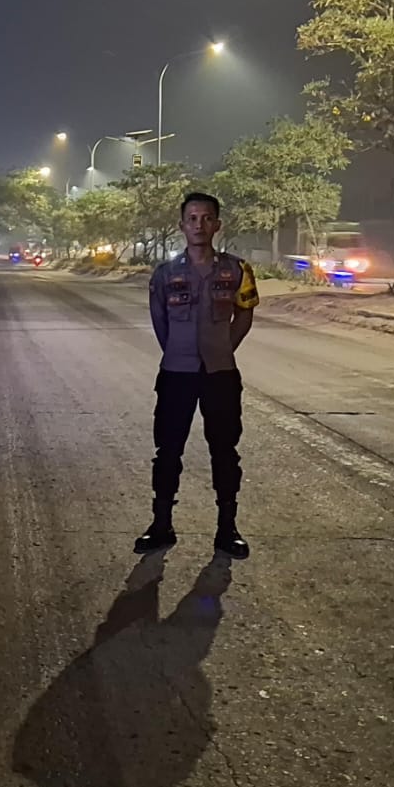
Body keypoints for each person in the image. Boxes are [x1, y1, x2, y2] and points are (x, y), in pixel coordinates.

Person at [134, 192, 257, 559]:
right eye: (192, 218)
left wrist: (224, 348)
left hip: (220, 374)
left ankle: (227, 529)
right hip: (177, 374)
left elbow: (245, 314)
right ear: (182, 225)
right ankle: (161, 525)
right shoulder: (165, 274)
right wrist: (179, 351)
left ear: (217, 224)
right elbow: (160, 322)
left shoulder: (237, 270)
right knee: (168, 450)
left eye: (206, 218)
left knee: (225, 450)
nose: (199, 225)